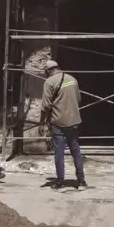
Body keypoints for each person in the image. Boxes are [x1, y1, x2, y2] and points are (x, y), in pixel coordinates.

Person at [40, 59, 86, 190]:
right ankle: (81, 181)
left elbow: (45, 106)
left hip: (58, 122)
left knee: (59, 153)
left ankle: (60, 181)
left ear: (48, 70)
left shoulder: (49, 82)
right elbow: (79, 99)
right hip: (74, 121)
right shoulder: (73, 79)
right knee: (75, 151)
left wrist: (42, 122)